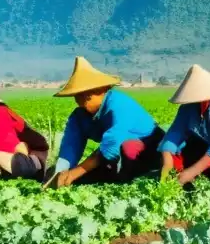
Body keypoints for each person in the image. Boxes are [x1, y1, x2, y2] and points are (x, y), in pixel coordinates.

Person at [50, 57, 164, 188]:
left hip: (150, 150)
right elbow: (70, 145)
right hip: (115, 157)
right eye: (78, 95)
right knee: (82, 180)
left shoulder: (119, 104)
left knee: (128, 148)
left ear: (104, 90)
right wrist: (61, 172)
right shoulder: (79, 116)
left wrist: (74, 173)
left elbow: (111, 145)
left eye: (88, 94)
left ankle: (136, 179)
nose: (82, 99)